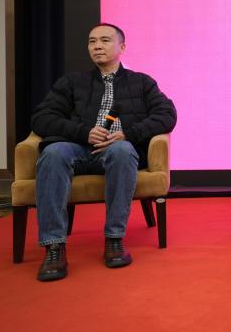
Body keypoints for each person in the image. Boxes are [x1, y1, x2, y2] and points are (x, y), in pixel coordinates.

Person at [30, 23, 176, 282]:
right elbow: (41, 118)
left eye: (105, 40)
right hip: (77, 147)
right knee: (52, 154)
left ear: (122, 47)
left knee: (122, 151)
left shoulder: (141, 82)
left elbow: (166, 115)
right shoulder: (71, 83)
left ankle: (114, 239)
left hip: (117, 149)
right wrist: (83, 132)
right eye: (92, 41)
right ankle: (54, 246)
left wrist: (128, 133)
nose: (97, 46)